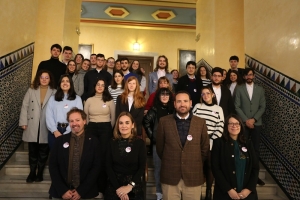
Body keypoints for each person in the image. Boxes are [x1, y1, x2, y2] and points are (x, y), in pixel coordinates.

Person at [156, 91, 210, 200]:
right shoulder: (163, 122)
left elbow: (205, 148)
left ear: (190, 103)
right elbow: (160, 148)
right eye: (179, 101)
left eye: (185, 101)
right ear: (174, 104)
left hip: (193, 176)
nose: (182, 104)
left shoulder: (200, 122)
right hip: (170, 176)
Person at [49, 108, 101, 199]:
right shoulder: (60, 141)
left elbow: (96, 167)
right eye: (71, 121)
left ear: (84, 121)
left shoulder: (94, 141)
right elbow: (53, 166)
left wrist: (81, 191)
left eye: (77, 120)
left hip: (86, 193)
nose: (74, 123)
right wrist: (62, 190)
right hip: (61, 193)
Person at [19, 70, 56, 183]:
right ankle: (32, 172)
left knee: (44, 151)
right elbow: (24, 106)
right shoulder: (31, 90)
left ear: (50, 79)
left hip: (46, 124)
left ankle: (40, 172)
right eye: (42, 77)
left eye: (47, 77)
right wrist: (23, 122)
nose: (44, 79)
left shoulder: (54, 92)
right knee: (33, 150)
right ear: (38, 79)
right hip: (32, 124)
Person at [211, 114, 259, 200]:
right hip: (225, 194)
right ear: (226, 126)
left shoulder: (248, 143)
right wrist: (229, 190)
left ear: (241, 126)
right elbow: (215, 168)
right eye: (231, 123)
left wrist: (248, 189)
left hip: (247, 194)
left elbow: (255, 168)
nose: (234, 126)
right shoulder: (218, 143)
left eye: (237, 123)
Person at [84, 78, 115, 198]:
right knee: (91, 157)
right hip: (91, 128)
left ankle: (102, 188)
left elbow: (113, 118)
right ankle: (91, 187)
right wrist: (89, 127)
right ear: (94, 86)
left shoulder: (109, 100)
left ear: (105, 87)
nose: (100, 87)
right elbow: (85, 117)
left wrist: (108, 129)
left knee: (102, 158)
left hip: (106, 129)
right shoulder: (89, 100)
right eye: (98, 84)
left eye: (103, 85)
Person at [234, 68, 266, 186]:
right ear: (244, 77)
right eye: (247, 75)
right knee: (242, 148)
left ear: (254, 76)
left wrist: (254, 119)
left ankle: (255, 176)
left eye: (251, 75)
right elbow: (237, 106)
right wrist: (246, 120)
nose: (249, 77)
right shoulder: (239, 89)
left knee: (256, 150)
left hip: (256, 123)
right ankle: (242, 173)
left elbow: (262, 106)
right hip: (243, 123)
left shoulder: (260, 90)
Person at [192, 86, 224, 200]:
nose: (205, 96)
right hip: (197, 142)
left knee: (210, 166)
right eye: (203, 94)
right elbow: (192, 122)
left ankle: (209, 190)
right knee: (197, 167)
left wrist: (212, 138)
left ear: (213, 95)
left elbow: (220, 126)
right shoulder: (197, 107)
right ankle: (197, 191)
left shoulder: (218, 108)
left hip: (211, 142)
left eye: (208, 93)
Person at [106, 112, 146, 200]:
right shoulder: (111, 143)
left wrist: (130, 186)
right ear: (117, 126)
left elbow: (141, 167)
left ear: (132, 125)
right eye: (121, 123)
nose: (124, 126)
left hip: (134, 185)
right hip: (114, 185)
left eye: (127, 123)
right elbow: (108, 167)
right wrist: (119, 190)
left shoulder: (140, 143)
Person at [143, 88, 174, 200]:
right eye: (162, 95)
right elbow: (146, 121)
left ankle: (169, 192)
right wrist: (153, 137)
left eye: (167, 94)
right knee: (158, 168)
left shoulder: (173, 109)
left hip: (172, 144)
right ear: (159, 96)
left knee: (171, 168)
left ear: (170, 96)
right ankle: (159, 193)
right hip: (158, 144)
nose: (165, 96)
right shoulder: (154, 109)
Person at [46, 74, 83, 149]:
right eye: (62, 81)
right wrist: (54, 131)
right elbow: (49, 116)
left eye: (67, 81)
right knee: (55, 155)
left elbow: (79, 116)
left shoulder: (77, 99)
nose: (65, 83)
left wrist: (69, 131)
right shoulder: (53, 98)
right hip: (55, 131)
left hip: (71, 130)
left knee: (68, 156)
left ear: (71, 84)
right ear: (60, 84)